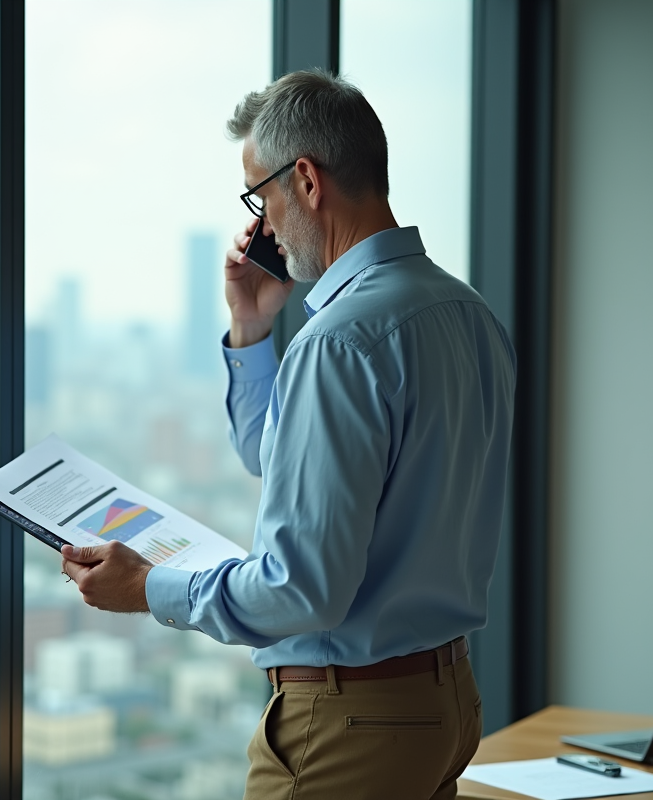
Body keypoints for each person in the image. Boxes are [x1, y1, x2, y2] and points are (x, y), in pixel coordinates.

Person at [60, 69, 516, 800]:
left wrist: (150, 587)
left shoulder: (342, 341)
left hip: (348, 725)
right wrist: (253, 327)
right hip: (443, 703)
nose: (262, 223)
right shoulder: (469, 316)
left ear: (305, 180)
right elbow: (278, 458)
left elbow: (301, 589)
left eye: (260, 196)